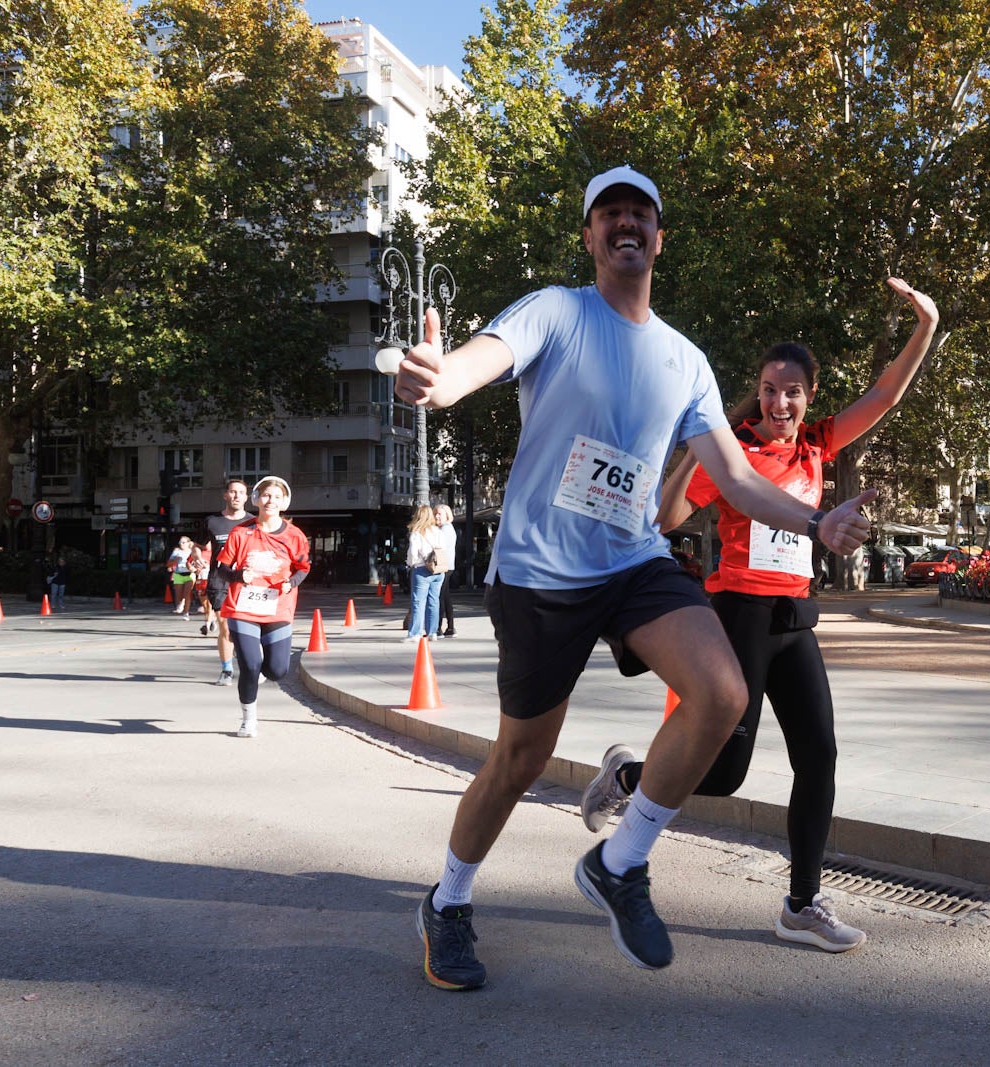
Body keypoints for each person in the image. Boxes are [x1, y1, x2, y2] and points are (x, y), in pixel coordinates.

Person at [392, 165, 875, 990]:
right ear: (590, 237)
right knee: (519, 757)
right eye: (609, 214)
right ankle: (449, 900)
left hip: (633, 563)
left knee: (722, 694)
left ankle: (621, 863)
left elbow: (737, 474)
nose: (625, 225)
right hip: (541, 573)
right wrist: (440, 379)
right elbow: (478, 360)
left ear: (658, 237)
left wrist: (815, 523)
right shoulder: (557, 310)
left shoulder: (685, 360)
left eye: (639, 215)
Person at [581, 277, 938, 953]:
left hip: (794, 621)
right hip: (737, 614)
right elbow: (668, 516)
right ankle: (628, 776)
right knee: (723, 773)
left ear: (809, 396)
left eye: (793, 391)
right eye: (770, 389)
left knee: (820, 756)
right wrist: (691, 450)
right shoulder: (734, 450)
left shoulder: (818, 444)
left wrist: (927, 324)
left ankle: (801, 905)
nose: (779, 401)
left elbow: (885, 395)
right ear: (760, 390)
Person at [211, 476, 310, 738]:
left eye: (277, 497)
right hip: (242, 607)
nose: (271, 501)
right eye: (266, 495)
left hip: (278, 607)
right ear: (257, 499)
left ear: (284, 502)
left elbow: (303, 568)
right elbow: (221, 568)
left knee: (277, 670)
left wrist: (291, 582)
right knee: (251, 665)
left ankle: (263, 673)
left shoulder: (294, 536)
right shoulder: (241, 532)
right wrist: (236, 576)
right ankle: (248, 720)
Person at [203, 479, 252, 684]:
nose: (236, 496)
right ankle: (227, 670)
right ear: (225, 495)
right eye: (232, 492)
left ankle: (250, 663)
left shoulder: (253, 522)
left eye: (241, 492)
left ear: (247, 497)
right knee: (226, 627)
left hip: (246, 582)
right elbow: (199, 546)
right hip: (219, 580)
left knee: (245, 628)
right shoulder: (212, 522)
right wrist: (197, 558)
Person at [404, 505, 444, 643]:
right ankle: (432, 632)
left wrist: (410, 563)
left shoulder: (417, 532)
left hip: (422, 569)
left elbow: (413, 554)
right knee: (434, 601)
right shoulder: (438, 531)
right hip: (438, 569)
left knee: (418, 602)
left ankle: (415, 633)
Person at [436, 504, 458, 638]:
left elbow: (439, 546)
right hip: (448, 565)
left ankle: (438, 628)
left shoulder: (445, 529)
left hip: (443, 566)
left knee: (439, 597)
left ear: (447, 516)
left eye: (440, 514)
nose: (437, 516)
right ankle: (450, 627)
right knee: (445, 596)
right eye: (436, 514)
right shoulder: (448, 528)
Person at [166, 535, 196, 616]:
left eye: (183, 542)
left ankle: (186, 613)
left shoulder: (192, 551)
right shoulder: (176, 551)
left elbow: (197, 561)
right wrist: (175, 561)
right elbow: (168, 564)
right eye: (180, 542)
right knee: (179, 595)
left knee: (187, 594)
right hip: (178, 574)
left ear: (188, 543)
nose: (181, 544)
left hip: (189, 574)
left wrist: (194, 568)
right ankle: (181, 603)